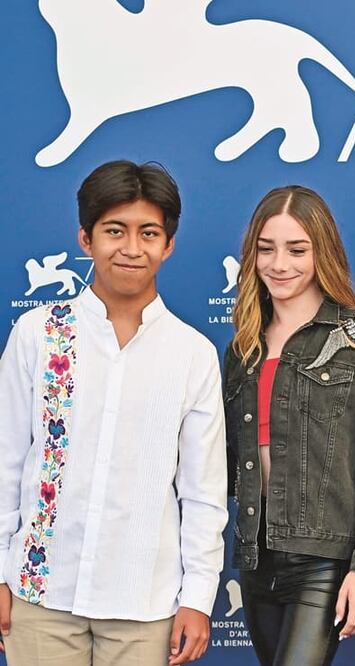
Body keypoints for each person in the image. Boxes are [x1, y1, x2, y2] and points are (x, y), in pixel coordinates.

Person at [0, 160, 227, 665]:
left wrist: (197, 598)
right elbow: (5, 459)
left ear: (168, 245)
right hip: (39, 595)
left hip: (145, 603)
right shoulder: (38, 334)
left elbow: (204, 491)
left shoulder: (192, 353)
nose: (131, 247)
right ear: (86, 238)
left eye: (148, 233)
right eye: (114, 231)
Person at [224, 186, 355, 665]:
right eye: (266, 249)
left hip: (323, 558)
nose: (279, 263)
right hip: (255, 556)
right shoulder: (243, 347)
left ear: (321, 252)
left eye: (297, 249)